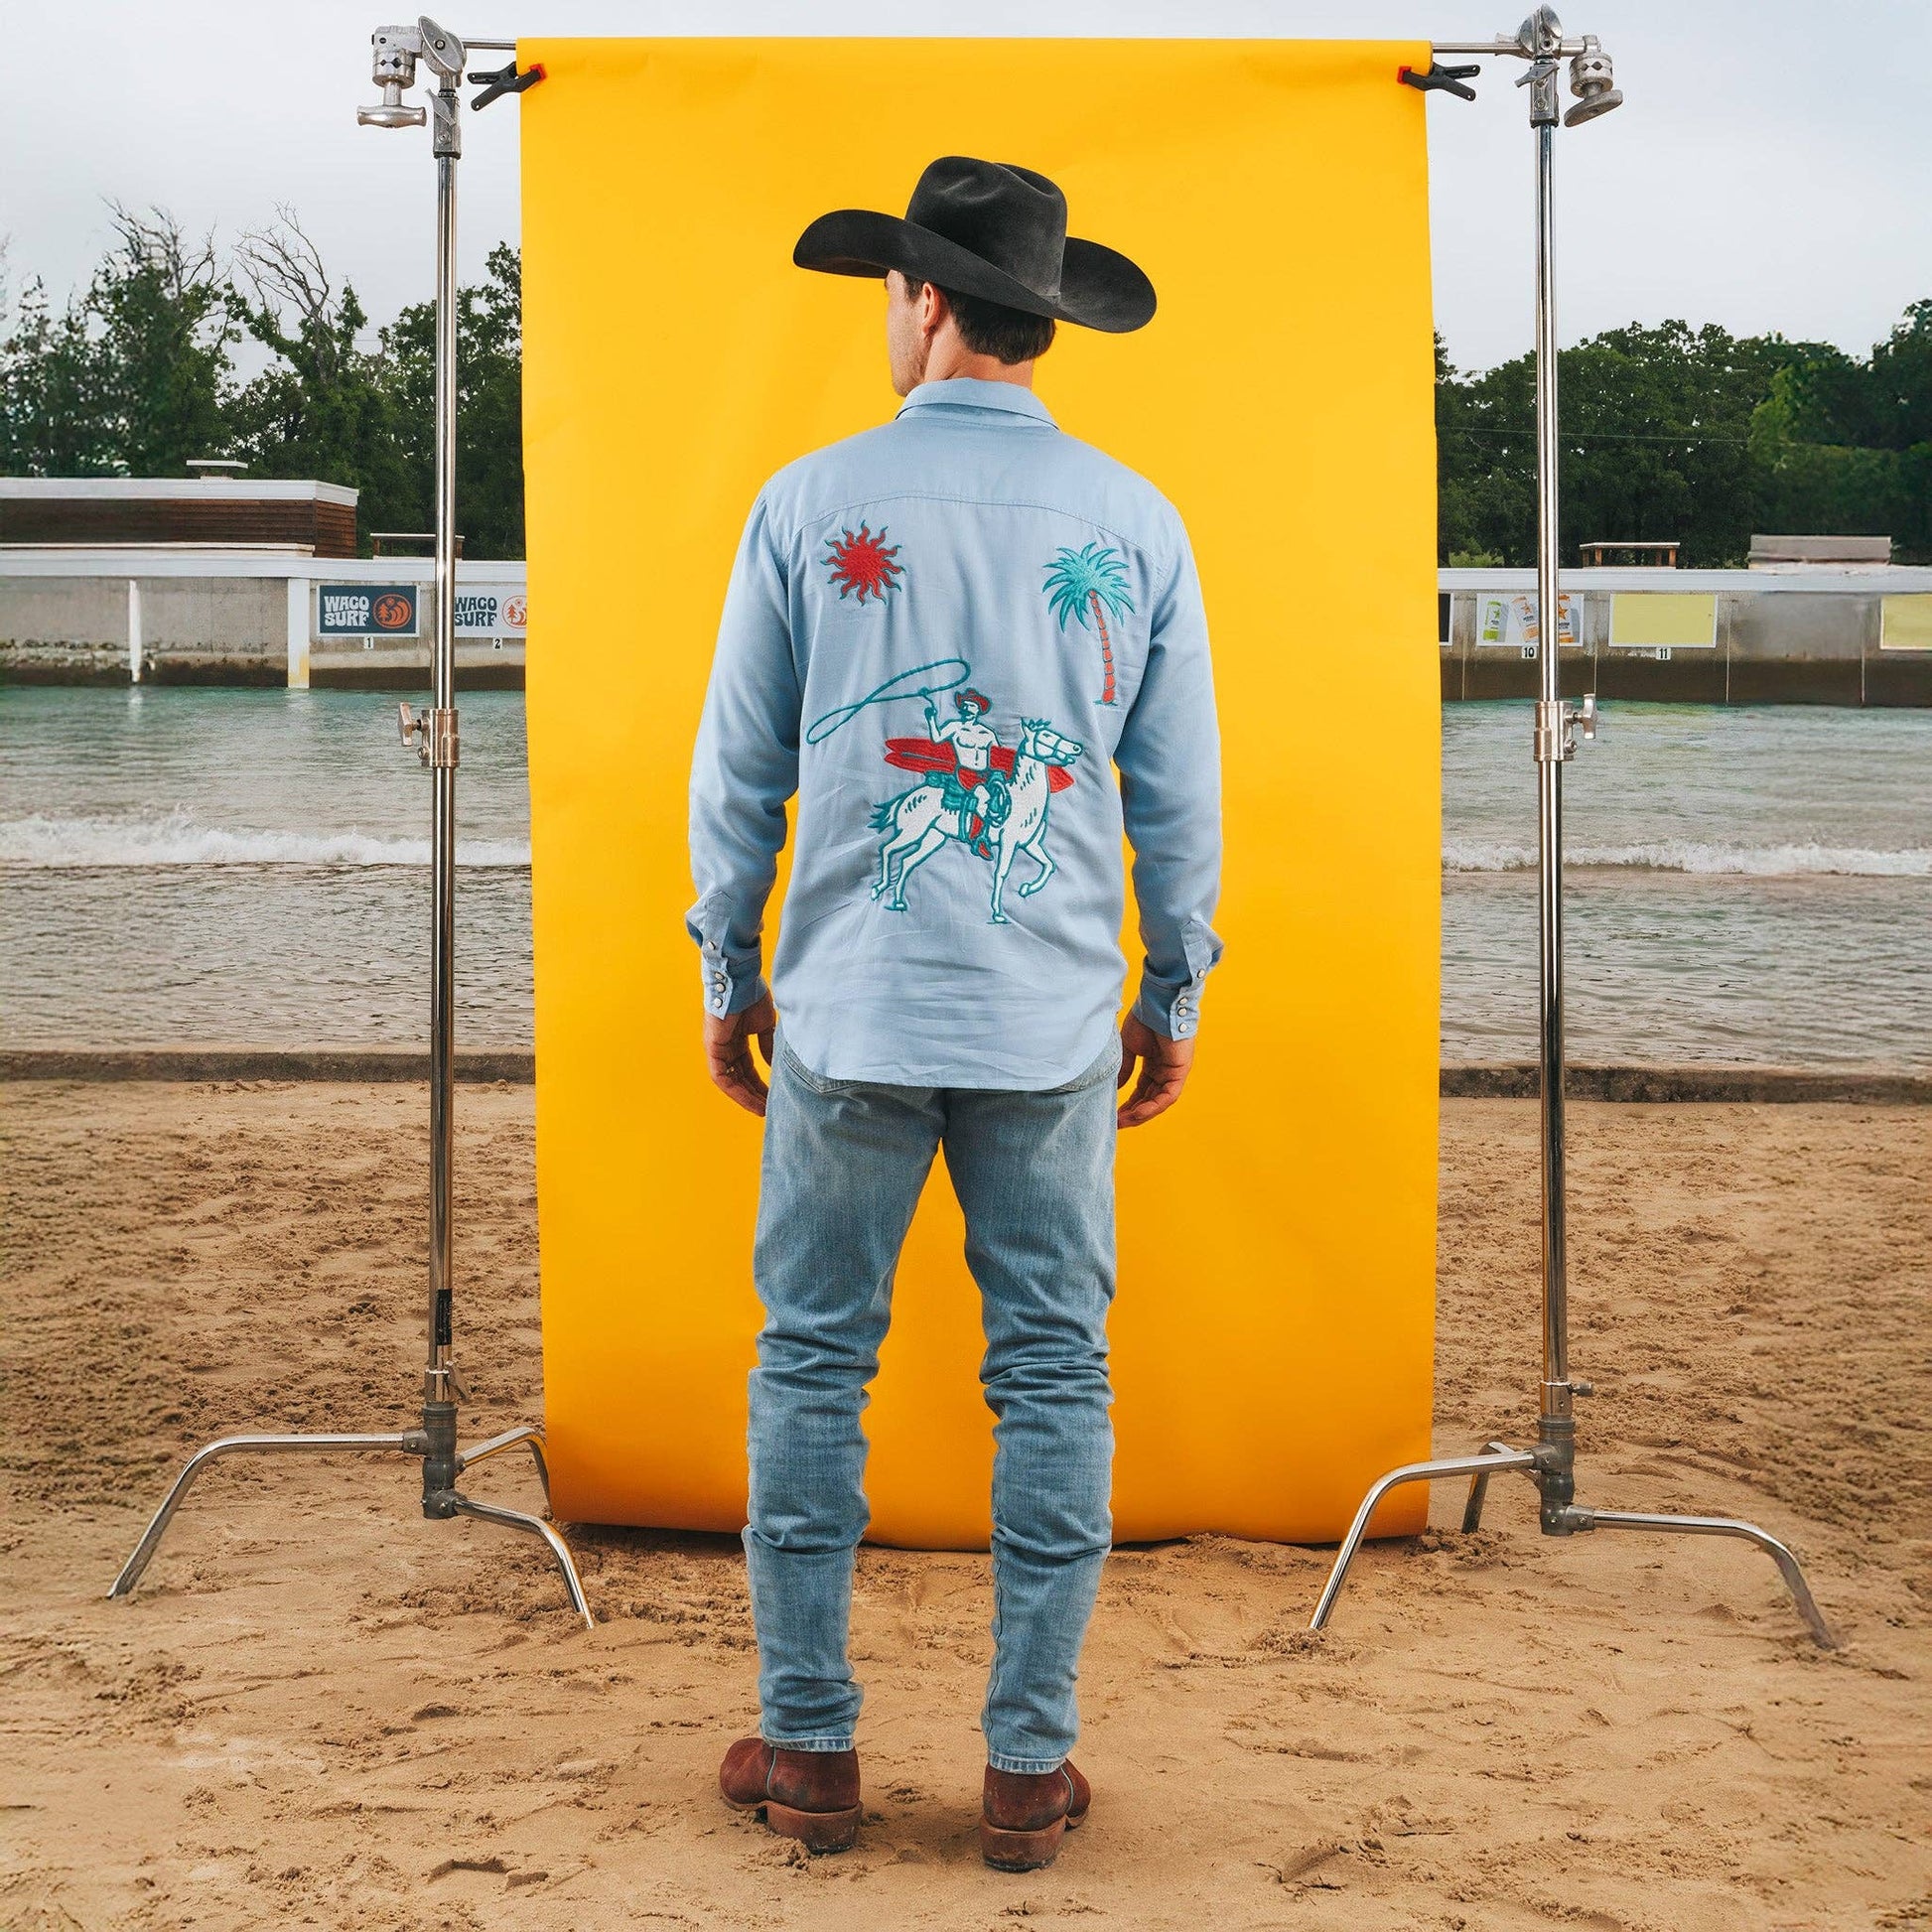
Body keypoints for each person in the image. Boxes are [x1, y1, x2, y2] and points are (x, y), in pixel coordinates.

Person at [687, 155, 1222, 1871]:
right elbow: (1174, 798)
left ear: (922, 302)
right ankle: (1024, 1767)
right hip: (1046, 1023)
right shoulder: (1135, 520)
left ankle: (809, 1745)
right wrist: (1172, 988)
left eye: (888, 292)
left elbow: (738, 772)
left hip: (847, 1013)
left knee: (809, 1361)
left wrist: (726, 969)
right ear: (1036, 316)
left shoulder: (804, 498)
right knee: (1053, 1370)